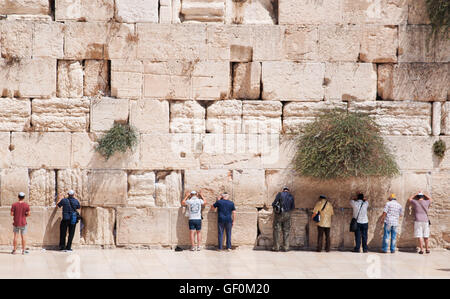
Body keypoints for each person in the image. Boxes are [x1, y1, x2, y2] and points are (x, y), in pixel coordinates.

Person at [271, 186, 295, 252]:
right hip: (287, 214)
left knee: (277, 231)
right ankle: (286, 247)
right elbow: (292, 207)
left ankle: (276, 247)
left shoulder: (279, 194)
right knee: (286, 231)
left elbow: (274, 203)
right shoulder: (291, 196)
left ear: (283, 190)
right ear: (288, 190)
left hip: (279, 214)